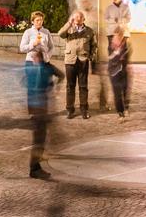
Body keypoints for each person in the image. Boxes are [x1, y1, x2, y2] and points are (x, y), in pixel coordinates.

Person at [24, 44, 63, 179]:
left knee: (41, 137)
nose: (34, 59)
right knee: (39, 138)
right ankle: (34, 168)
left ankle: (37, 163)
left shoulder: (36, 69)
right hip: (39, 109)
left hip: (39, 108)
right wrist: (52, 86)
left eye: (35, 56)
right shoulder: (44, 68)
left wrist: (52, 86)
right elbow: (60, 75)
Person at [55, 10, 94, 119]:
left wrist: (91, 56)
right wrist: (69, 23)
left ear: (83, 19)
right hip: (70, 60)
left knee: (83, 86)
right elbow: (60, 34)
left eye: (79, 17)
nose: (77, 19)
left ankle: (84, 110)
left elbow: (94, 45)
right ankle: (70, 109)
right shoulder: (69, 29)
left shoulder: (90, 31)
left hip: (83, 60)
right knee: (70, 86)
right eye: (75, 17)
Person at [107, 31, 131, 119]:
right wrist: (118, 53)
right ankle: (120, 112)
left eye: (119, 38)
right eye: (115, 38)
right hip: (113, 72)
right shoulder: (110, 47)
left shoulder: (125, 47)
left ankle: (126, 108)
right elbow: (111, 58)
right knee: (117, 93)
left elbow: (126, 57)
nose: (116, 40)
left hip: (123, 72)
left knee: (125, 91)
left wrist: (122, 53)